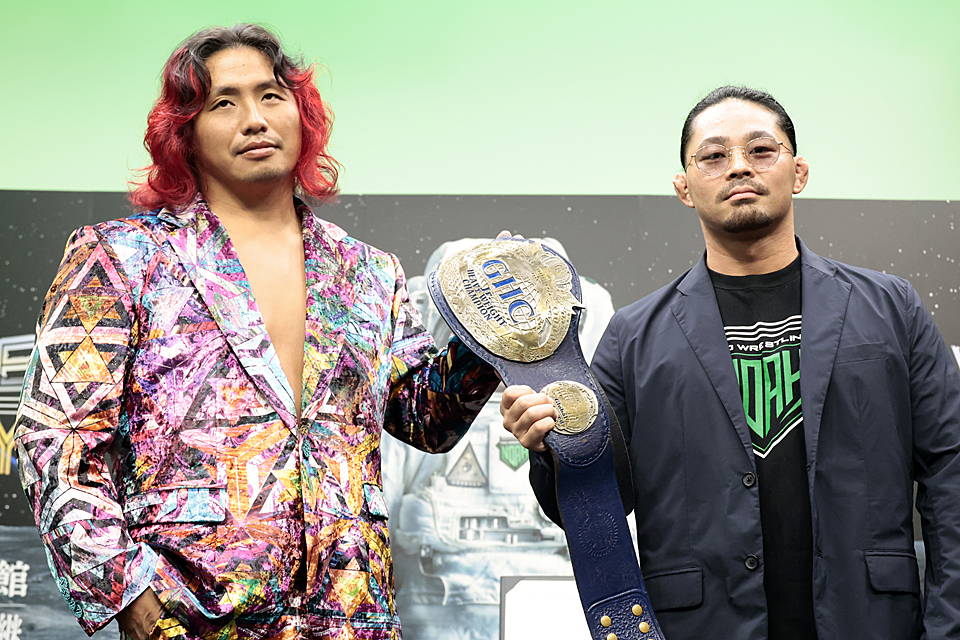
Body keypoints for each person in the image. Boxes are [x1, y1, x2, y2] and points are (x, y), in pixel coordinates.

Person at [14, 24, 499, 640]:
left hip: (353, 620)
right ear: (185, 133)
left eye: (271, 96)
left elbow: (424, 418)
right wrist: (129, 594)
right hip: (195, 619)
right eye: (224, 102)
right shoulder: (121, 258)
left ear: (302, 114)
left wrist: (497, 333)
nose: (254, 119)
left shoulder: (369, 273)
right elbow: (54, 439)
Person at [501, 86, 960, 639]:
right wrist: (551, 447)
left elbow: (951, 473)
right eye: (714, 156)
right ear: (684, 187)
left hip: (872, 622)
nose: (739, 166)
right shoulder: (632, 336)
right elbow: (600, 501)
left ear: (799, 172)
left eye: (761, 150)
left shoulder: (890, 309)